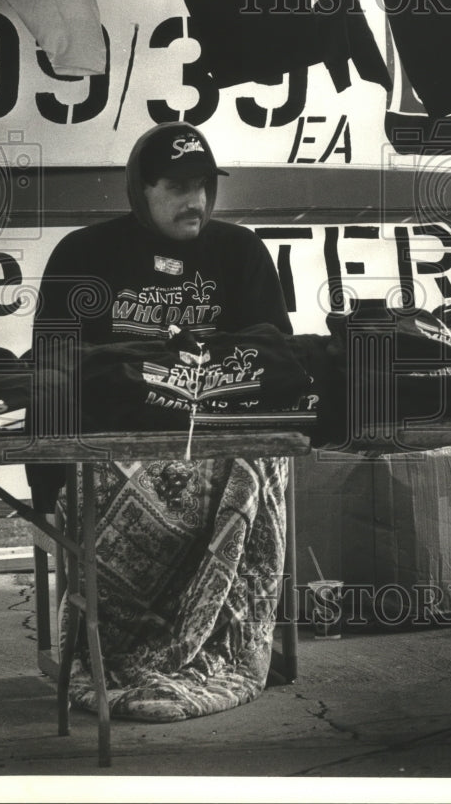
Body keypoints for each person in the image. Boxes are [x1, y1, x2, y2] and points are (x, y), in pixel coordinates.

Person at [31, 122, 295, 722]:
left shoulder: (240, 251)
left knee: (259, 470)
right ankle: (119, 648)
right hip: (113, 464)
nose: (195, 200)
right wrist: (45, 483)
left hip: (223, 464)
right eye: (177, 186)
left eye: (203, 184)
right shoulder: (85, 254)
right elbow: (52, 369)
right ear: (140, 189)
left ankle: (225, 640)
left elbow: (277, 360)